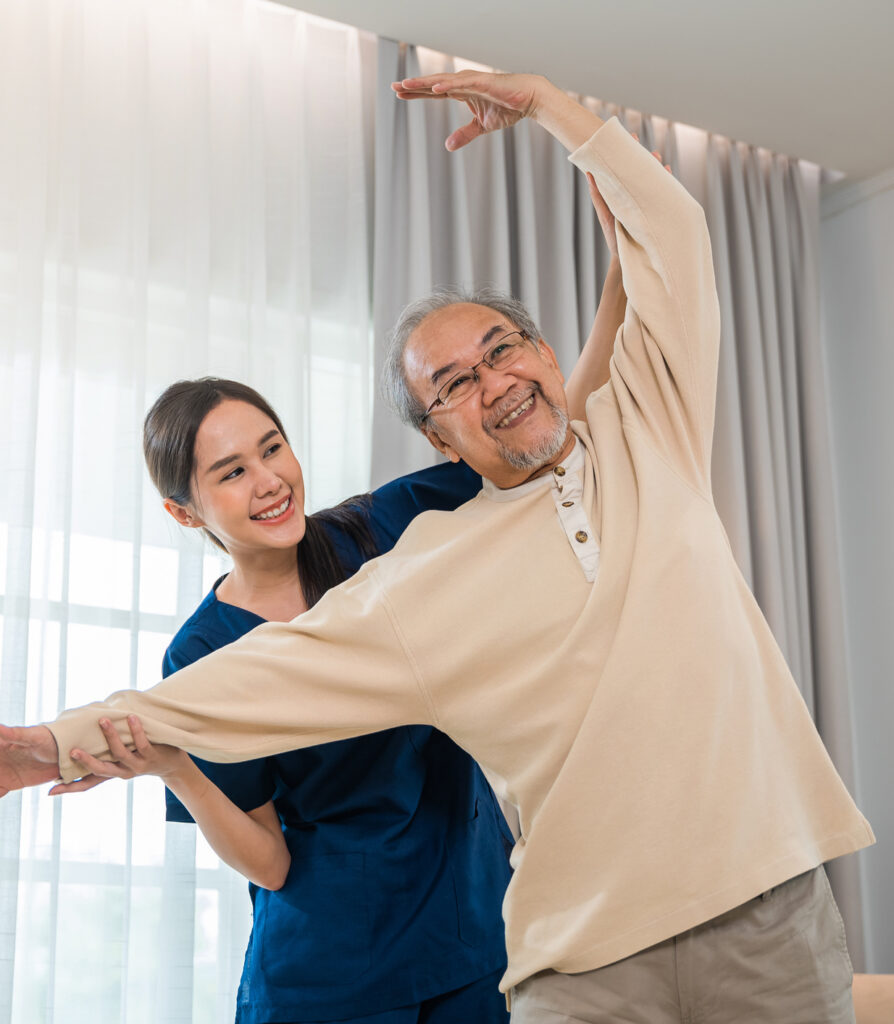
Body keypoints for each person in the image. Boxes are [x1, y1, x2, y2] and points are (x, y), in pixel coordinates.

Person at [0, 70, 873, 1024]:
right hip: (539, 959)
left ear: (547, 355)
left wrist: (554, 110)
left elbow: (678, 241)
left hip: (758, 911)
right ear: (439, 438)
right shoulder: (419, 571)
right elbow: (235, 690)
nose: (492, 381)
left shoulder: (643, 435)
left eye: (504, 349)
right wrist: (54, 747)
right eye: (453, 383)